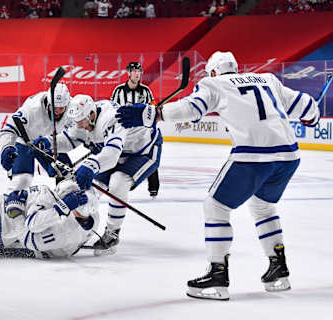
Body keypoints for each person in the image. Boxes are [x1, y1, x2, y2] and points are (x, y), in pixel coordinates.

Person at [115, 51, 321, 300]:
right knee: (263, 206)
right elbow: (309, 106)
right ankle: (279, 268)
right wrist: (311, 119)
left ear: (213, 72)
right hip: (289, 156)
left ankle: (217, 274)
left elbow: (192, 108)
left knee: (215, 207)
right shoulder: (267, 79)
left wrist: (154, 114)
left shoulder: (214, 83)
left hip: (253, 156)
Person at [34, 94, 162, 255]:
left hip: (143, 152)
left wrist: (90, 165)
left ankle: (112, 234)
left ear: (92, 115)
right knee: (93, 188)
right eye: (77, 123)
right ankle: (82, 226)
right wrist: (48, 142)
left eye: (82, 122)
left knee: (118, 182)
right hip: (117, 151)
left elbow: (112, 154)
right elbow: (70, 139)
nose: (79, 126)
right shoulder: (83, 116)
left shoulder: (111, 119)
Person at [0, 83, 71, 193]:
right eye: (54, 107)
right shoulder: (31, 108)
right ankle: (13, 206)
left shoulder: (73, 108)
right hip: (25, 141)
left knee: (67, 176)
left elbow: (81, 130)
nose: (57, 111)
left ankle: (64, 206)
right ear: (48, 102)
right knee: (22, 180)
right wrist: (7, 147)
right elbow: (8, 129)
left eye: (61, 108)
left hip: (49, 142)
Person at [110, 62, 160, 198]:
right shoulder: (118, 90)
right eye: (134, 71)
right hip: (124, 132)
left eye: (139, 71)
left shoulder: (146, 91)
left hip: (141, 132)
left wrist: (155, 109)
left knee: (149, 156)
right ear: (128, 73)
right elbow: (111, 109)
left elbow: (153, 108)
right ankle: (111, 183)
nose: (137, 74)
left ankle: (153, 188)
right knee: (116, 155)